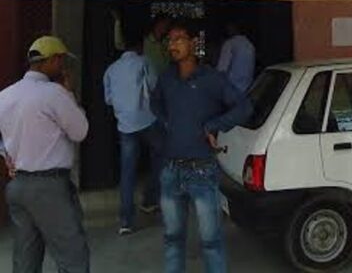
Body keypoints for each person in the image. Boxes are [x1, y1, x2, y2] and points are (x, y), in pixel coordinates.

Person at [152, 19, 252, 273]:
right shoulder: (166, 78)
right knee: (172, 240)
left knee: (211, 242)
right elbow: (155, 104)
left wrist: (213, 125)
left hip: (202, 171)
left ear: (194, 42)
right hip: (170, 170)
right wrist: (168, 123)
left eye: (178, 39)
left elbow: (244, 107)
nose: (172, 45)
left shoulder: (212, 79)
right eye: (169, 40)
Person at [0, 35, 90, 273]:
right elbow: (80, 131)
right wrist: (69, 94)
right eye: (62, 61)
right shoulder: (54, 94)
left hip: (18, 185)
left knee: (25, 259)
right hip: (49, 186)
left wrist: (6, 155)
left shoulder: (5, 95)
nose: (64, 67)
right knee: (73, 257)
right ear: (53, 60)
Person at [103, 35, 162, 235]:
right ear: (140, 46)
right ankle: (150, 199)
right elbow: (154, 86)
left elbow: (108, 99)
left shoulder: (111, 69)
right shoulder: (144, 62)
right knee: (160, 155)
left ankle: (126, 221)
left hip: (125, 125)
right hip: (147, 119)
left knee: (127, 172)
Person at [215, 21, 255, 94]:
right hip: (248, 89)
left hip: (231, 89)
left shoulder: (230, 44)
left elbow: (222, 69)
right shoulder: (249, 44)